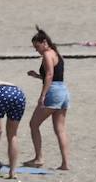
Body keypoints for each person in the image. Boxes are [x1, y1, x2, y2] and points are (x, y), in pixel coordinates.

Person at [24, 26, 72, 170]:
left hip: (53, 92)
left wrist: (43, 95)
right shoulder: (56, 53)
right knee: (60, 129)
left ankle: (39, 158)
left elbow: (50, 75)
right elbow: (54, 76)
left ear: (44, 42)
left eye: (37, 47)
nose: (36, 50)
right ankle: (65, 163)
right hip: (63, 91)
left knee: (33, 124)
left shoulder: (47, 54)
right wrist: (37, 76)